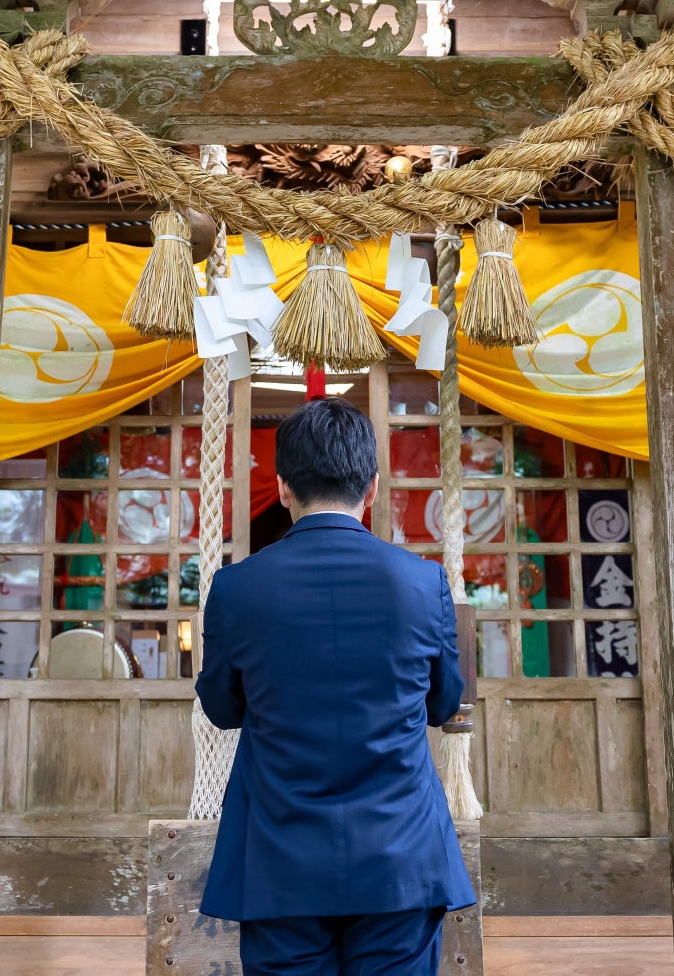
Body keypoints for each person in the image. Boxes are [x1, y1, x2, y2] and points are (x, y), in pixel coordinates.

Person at [195, 395, 477, 976]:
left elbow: (222, 709)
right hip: (401, 856)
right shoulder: (423, 584)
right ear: (371, 489)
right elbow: (445, 703)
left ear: (280, 487)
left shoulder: (236, 588)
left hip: (279, 858)